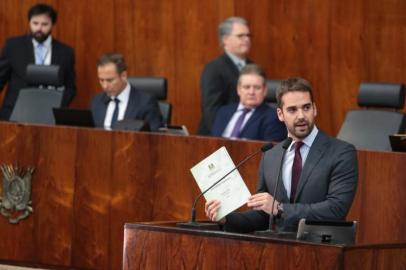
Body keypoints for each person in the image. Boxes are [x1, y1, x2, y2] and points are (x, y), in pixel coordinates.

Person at [205, 77, 358, 233]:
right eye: (292, 110)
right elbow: (263, 215)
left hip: (322, 248)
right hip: (279, 250)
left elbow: (336, 209)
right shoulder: (271, 156)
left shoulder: (341, 153)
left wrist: (280, 208)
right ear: (280, 114)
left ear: (315, 109)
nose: (301, 116)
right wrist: (226, 219)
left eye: (306, 108)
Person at [0, 3, 76, 120]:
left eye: (44, 24)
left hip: (50, 116)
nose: (39, 28)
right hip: (14, 115)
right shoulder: (13, 46)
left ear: (52, 25)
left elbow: (70, 87)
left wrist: (57, 105)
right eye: (35, 23)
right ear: (29, 22)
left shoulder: (66, 52)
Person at [198, 17, 254, 135]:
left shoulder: (253, 67)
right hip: (219, 136)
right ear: (225, 40)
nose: (247, 39)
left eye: (248, 35)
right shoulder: (214, 68)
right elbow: (211, 111)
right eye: (241, 36)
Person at [211, 64, 287, 141]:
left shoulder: (273, 118)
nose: (251, 92)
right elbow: (212, 143)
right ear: (238, 89)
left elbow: (271, 150)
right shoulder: (223, 111)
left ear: (265, 91)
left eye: (257, 88)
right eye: (247, 87)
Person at [91, 53, 162, 131]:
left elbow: (154, 138)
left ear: (123, 76)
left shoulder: (145, 102)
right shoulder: (97, 101)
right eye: (101, 80)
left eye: (110, 80)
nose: (105, 86)